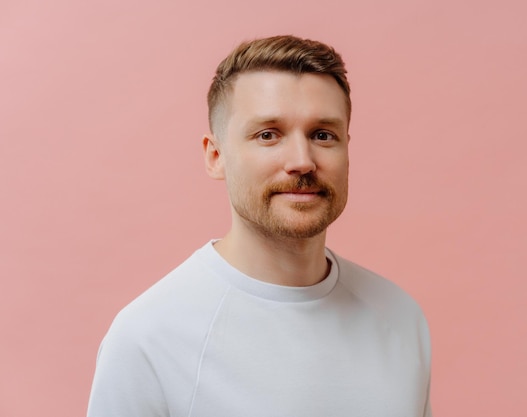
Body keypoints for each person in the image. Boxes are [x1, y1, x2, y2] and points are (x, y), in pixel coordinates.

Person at [86, 35, 432, 417]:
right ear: (216, 156)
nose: (302, 160)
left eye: (323, 135)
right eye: (268, 135)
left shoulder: (401, 317)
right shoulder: (147, 339)